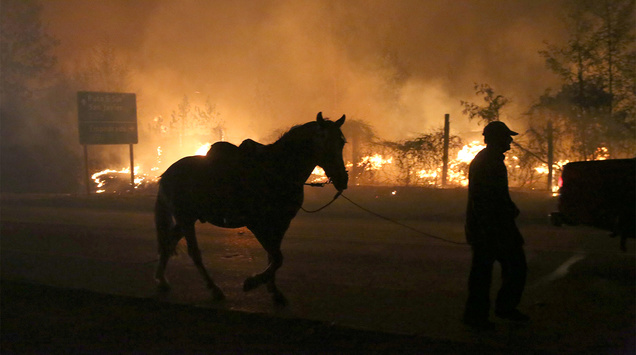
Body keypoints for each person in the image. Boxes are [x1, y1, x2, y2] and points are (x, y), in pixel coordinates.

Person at [463, 121, 530, 330]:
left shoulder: (489, 160)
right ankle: (491, 312)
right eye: (506, 137)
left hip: (492, 226)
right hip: (492, 227)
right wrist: (503, 216)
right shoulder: (488, 162)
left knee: (486, 272)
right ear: (496, 139)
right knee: (511, 267)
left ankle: (483, 314)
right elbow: (486, 198)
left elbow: (496, 195)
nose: (510, 141)